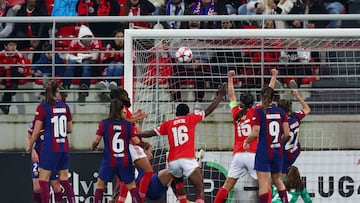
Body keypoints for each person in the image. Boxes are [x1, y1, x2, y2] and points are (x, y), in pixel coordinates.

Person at [136, 84, 227, 203]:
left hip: (173, 161)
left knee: (178, 182)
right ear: (187, 112)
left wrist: (137, 134)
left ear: (176, 113)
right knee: (199, 187)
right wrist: (220, 96)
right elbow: (208, 110)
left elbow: (151, 133)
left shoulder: (168, 123)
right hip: (187, 158)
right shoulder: (190, 119)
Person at [214, 69, 280, 203]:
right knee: (265, 185)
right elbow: (268, 94)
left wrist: (230, 78)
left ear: (241, 103)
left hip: (238, 155)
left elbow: (232, 96)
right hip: (253, 153)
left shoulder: (236, 112)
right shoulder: (256, 111)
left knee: (227, 186)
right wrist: (274, 76)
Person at [26, 79, 75, 203]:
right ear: (58, 90)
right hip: (63, 146)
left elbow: (36, 131)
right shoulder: (65, 106)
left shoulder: (43, 107)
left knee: (43, 181)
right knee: (64, 179)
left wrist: (29, 147)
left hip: (50, 147)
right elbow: (69, 129)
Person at [244, 86, 290, 203]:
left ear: (260, 97)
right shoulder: (280, 111)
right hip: (277, 151)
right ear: (274, 98)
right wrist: (279, 142)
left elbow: (255, 132)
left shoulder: (259, 111)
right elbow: (288, 134)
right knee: (278, 181)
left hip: (264, 152)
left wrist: (247, 141)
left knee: (264, 185)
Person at [109, 88, 155, 203]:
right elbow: (125, 122)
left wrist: (136, 116)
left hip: (125, 145)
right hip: (130, 145)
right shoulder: (122, 109)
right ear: (121, 96)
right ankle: (140, 199)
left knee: (129, 177)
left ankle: (120, 200)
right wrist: (138, 118)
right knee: (148, 172)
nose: (128, 98)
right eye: (126, 95)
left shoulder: (119, 110)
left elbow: (126, 120)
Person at [92, 98, 142, 203]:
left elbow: (96, 140)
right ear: (121, 110)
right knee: (132, 186)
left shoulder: (104, 123)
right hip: (124, 160)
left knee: (101, 183)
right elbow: (135, 140)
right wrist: (144, 144)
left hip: (109, 160)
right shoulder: (128, 125)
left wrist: (94, 146)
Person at [63, 24, 103, 103]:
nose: (88, 39)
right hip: (77, 68)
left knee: (86, 63)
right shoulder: (74, 42)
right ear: (80, 38)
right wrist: (83, 56)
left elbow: (94, 56)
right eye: (85, 37)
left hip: (93, 68)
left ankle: (84, 88)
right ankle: (65, 87)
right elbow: (68, 56)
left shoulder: (96, 42)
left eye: (89, 37)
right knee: (71, 63)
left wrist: (79, 56)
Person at [26, 119, 63, 203]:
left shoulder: (55, 121)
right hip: (39, 157)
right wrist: (32, 151)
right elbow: (28, 136)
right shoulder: (35, 122)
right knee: (37, 188)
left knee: (56, 186)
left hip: (52, 157)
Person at [277, 89, 310, 176]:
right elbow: (307, 109)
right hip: (295, 150)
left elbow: (286, 135)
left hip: (286, 153)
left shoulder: (280, 123)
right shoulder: (295, 116)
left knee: (280, 177)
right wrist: (297, 95)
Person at [0, 39, 28, 114]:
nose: (13, 47)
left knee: (13, 71)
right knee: (9, 86)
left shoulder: (18, 54)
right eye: (11, 45)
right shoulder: (1, 54)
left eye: (14, 45)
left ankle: (5, 105)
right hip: (4, 75)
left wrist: (12, 66)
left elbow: (23, 67)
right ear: (5, 46)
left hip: (15, 75)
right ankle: (6, 105)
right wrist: (3, 67)